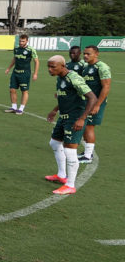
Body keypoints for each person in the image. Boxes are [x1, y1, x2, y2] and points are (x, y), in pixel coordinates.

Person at [44, 55, 97, 195]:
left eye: (52, 67)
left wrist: (82, 118)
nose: (49, 69)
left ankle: (70, 185)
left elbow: (92, 97)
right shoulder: (60, 78)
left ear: (63, 66)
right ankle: (61, 175)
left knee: (70, 150)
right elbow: (65, 96)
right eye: (48, 67)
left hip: (75, 117)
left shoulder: (74, 78)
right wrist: (55, 110)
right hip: (64, 116)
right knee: (54, 144)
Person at [78, 45, 112, 164]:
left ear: (96, 54)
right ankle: (87, 152)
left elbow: (106, 87)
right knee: (84, 126)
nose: (85, 56)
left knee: (89, 127)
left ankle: (88, 156)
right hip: (86, 102)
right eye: (84, 54)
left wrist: (97, 105)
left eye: (88, 54)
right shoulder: (86, 66)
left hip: (95, 103)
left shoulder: (102, 67)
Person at [4, 34, 39, 114]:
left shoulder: (31, 50)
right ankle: (13, 107)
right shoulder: (16, 48)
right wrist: (9, 68)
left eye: (23, 41)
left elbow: (36, 61)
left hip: (25, 73)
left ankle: (21, 108)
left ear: (27, 41)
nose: (21, 42)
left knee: (24, 91)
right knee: (12, 89)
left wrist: (35, 73)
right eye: (20, 41)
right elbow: (15, 58)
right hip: (15, 72)